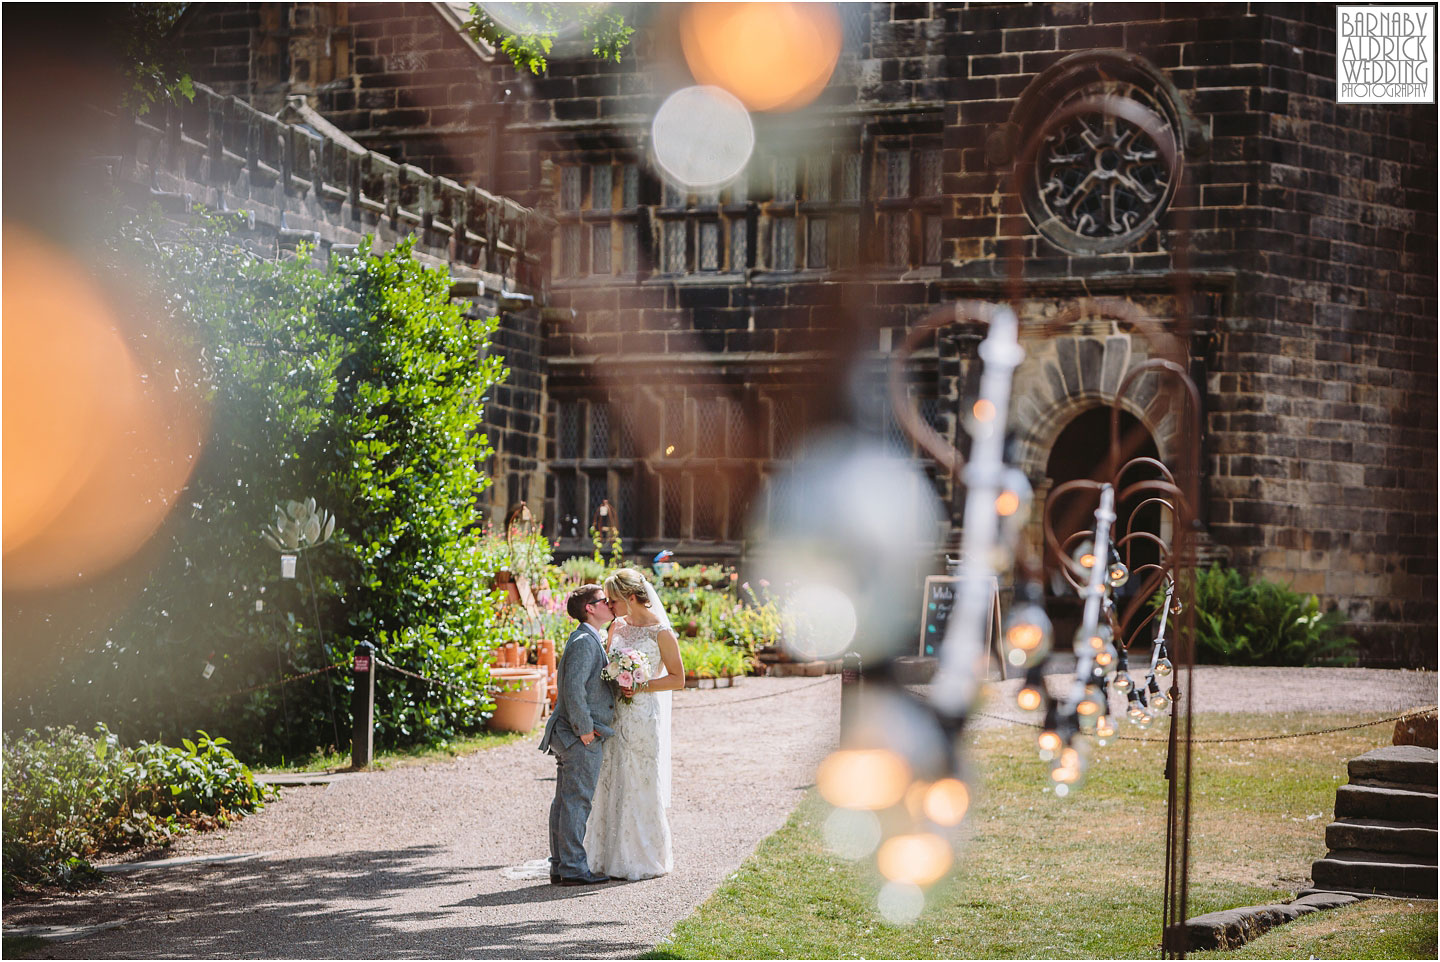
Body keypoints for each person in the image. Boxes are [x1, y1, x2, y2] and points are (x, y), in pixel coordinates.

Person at [583, 567, 686, 880]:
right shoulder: (618, 627)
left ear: (631, 597)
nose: (609, 606)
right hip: (614, 713)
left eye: (613, 600)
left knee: (638, 778)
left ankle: (639, 856)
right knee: (610, 776)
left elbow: (678, 679)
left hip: (642, 715)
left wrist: (641, 685)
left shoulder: (662, 633)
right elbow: (606, 666)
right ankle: (602, 855)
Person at [538, 584, 616, 886]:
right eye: (604, 601)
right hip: (577, 735)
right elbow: (572, 689)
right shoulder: (585, 640)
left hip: (568, 733)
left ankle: (560, 865)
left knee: (564, 801)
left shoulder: (586, 638)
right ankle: (572, 868)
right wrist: (585, 731)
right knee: (576, 801)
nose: (609, 604)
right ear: (590, 608)